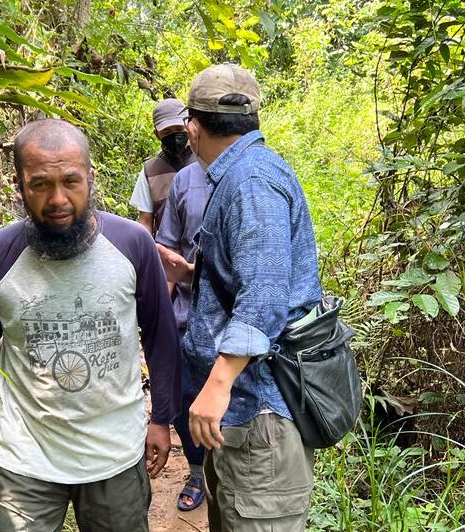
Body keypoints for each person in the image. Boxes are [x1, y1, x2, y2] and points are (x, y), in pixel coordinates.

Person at [0, 119, 180, 532]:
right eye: (40, 184)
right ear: (19, 185)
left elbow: (160, 336)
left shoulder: (133, 244)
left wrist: (161, 419)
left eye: (71, 181)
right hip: (26, 460)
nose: (57, 199)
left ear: (90, 179)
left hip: (115, 455)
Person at [175, 63, 323, 531]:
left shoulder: (251, 183)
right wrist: (198, 273)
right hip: (241, 420)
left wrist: (216, 386)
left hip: (258, 416)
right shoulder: (243, 173)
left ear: (192, 129)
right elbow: (255, 270)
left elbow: (264, 296)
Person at [154, 161, 210, 512]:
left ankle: (224, 472)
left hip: (233, 322)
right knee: (183, 400)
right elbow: (168, 251)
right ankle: (197, 471)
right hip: (185, 315)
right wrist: (159, 314)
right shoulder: (185, 181)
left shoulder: (255, 178)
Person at [129, 98, 196, 235]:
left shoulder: (205, 159)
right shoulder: (150, 170)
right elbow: (145, 221)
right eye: (166, 132)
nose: (174, 136)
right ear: (157, 134)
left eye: (178, 129)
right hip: (166, 253)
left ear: (189, 125)